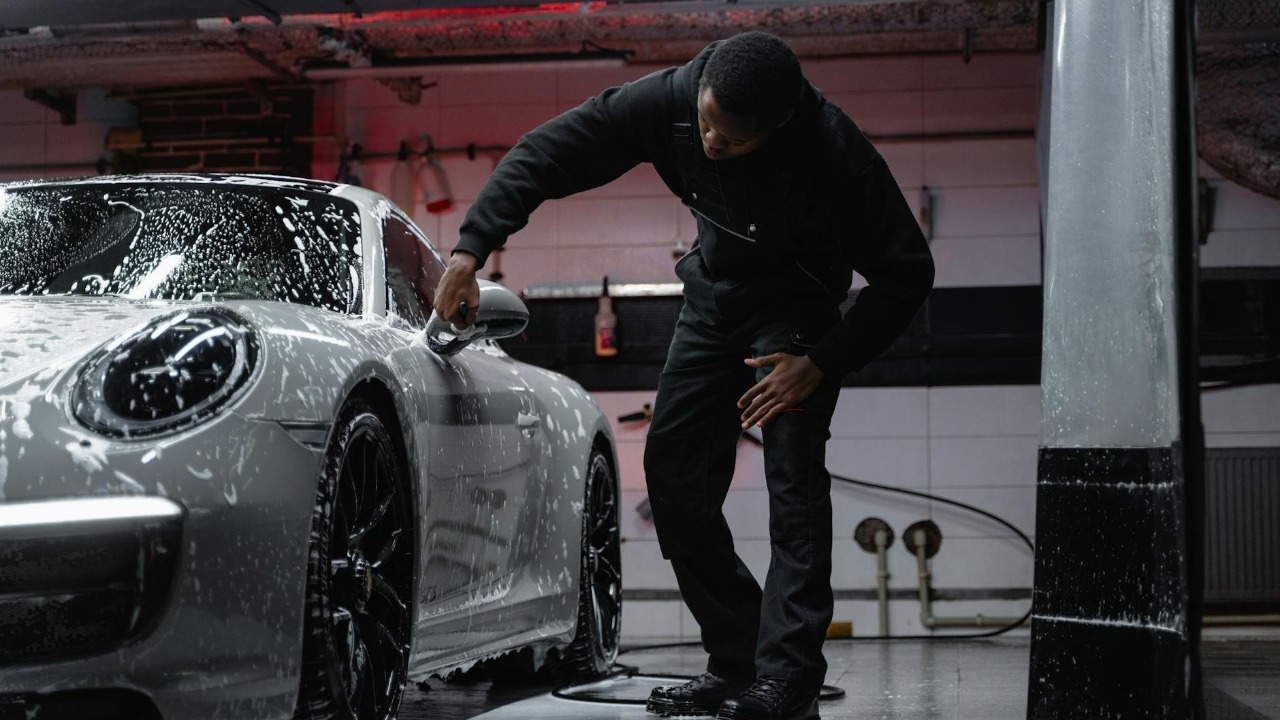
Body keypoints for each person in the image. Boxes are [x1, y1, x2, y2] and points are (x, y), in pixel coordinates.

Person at [433, 31, 934, 720]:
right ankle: (737, 659)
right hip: (713, 300)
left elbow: (908, 276)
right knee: (673, 483)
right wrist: (471, 248)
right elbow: (547, 152)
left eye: (729, 139)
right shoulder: (670, 98)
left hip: (795, 317)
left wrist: (822, 363)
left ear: (779, 125)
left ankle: (788, 678)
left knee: (793, 490)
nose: (709, 143)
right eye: (703, 123)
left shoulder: (835, 151)